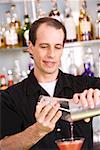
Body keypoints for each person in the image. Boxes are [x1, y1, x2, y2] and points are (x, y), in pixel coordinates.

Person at [0, 17, 100, 150]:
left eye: (57, 47)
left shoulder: (83, 85)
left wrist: (96, 99)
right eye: (44, 46)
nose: (51, 54)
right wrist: (37, 131)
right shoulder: (10, 98)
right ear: (30, 47)